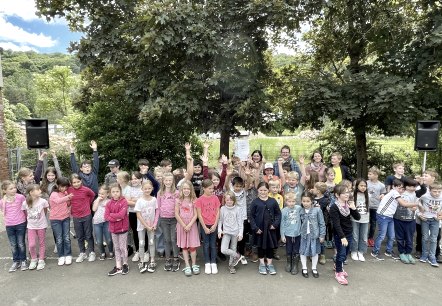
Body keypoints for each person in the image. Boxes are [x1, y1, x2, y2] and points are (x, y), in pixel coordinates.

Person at [371, 179, 417, 261]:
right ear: (393, 187)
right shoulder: (394, 192)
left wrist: (411, 206)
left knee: (392, 236)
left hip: (390, 217)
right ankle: (375, 251)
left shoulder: (397, 194)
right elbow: (404, 204)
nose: (401, 190)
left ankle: (388, 251)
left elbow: (404, 204)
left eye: (402, 188)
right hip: (383, 216)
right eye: (399, 188)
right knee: (382, 235)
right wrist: (418, 204)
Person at [329, 184, 360, 285]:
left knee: (346, 253)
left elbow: (358, 217)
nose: (347, 194)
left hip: (349, 232)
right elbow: (336, 224)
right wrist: (342, 237)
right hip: (340, 235)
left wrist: (354, 208)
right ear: (337, 195)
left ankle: (337, 265)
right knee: (341, 254)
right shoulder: (334, 207)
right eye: (344, 193)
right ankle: (338, 272)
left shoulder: (348, 204)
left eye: (348, 192)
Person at [249, 182, 281, 275]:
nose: (263, 192)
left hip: (270, 229)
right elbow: (251, 216)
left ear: (268, 190)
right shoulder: (255, 202)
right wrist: (255, 228)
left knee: (270, 247)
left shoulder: (273, 201)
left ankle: (270, 264)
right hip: (260, 229)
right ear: (258, 190)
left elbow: (278, 214)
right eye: (261, 190)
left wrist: (275, 224)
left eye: (265, 190)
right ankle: (262, 264)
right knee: (261, 247)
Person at [67, 173, 96, 263]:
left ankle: (91, 252)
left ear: (81, 181)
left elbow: (92, 195)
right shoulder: (69, 190)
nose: (76, 184)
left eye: (78, 181)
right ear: (71, 183)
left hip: (87, 215)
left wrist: (88, 203)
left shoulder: (86, 190)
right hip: (76, 216)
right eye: (74, 182)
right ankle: (82, 253)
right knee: (79, 236)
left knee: (88, 235)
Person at [394, 177, 423, 264]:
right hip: (398, 219)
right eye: (409, 186)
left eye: (414, 186)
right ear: (405, 186)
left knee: (409, 238)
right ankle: (402, 253)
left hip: (411, 220)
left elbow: (423, 190)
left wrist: (421, 182)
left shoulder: (416, 194)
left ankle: (408, 253)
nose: (412, 188)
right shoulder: (399, 193)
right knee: (400, 237)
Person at [0, 180, 28, 272]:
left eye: (14, 188)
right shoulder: (2, 201)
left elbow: (25, 209)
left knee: (21, 243)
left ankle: (23, 260)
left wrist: (28, 220)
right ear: (4, 190)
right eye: (11, 189)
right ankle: (16, 261)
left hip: (21, 223)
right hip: (9, 225)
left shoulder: (20, 197)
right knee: (13, 244)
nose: (14, 190)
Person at [175, 180, 201, 276]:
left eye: (188, 188)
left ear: (191, 189)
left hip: (192, 225)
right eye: (184, 188)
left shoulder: (194, 200)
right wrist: (184, 225)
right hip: (182, 226)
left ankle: (194, 264)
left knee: (192, 246)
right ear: (181, 190)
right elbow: (176, 214)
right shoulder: (178, 200)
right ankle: (187, 265)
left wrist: (189, 225)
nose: (186, 190)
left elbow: (196, 215)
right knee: (184, 247)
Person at [196, 179, 221, 274]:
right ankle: (207, 263)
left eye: (212, 188)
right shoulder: (200, 200)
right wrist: (205, 227)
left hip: (213, 224)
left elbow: (218, 211)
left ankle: (213, 263)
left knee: (213, 244)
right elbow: (199, 215)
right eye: (209, 188)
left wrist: (215, 224)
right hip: (204, 225)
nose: (212, 190)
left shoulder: (215, 198)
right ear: (204, 188)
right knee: (206, 244)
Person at [22, 184, 49, 270]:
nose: (40, 191)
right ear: (31, 192)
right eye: (38, 190)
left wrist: (41, 218)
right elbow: (25, 213)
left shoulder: (43, 201)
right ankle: (33, 259)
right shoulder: (25, 202)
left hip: (41, 225)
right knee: (32, 244)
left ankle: (41, 260)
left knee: (41, 243)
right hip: (31, 226)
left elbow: (45, 211)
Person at [105, 183, 130, 276]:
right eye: (113, 192)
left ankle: (125, 264)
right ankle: (118, 266)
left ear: (120, 192)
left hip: (123, 229)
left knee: (123, 247)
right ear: (110, 193)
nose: (115, 193)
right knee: (117, 247)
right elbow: (106, 216)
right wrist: (114, 217)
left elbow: (121, 215)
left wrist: (112, 215)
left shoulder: (124, 202)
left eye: (117, 191)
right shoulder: (108, 204)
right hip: (113, 229)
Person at [135, 180, 159, 273]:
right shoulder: (139, 201)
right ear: (142, 189)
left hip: (151, 225)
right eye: (145, 188)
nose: (147, 190)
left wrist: (154, 224)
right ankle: (141, 261)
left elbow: (157, 212)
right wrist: (146, 226)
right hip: (142, 225)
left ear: (152, 189)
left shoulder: (154, 199)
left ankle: (152, 260)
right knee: (141, 243)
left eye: (149, 188)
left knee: (152, 242)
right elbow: (138, 215)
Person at [299, 192, 326, 278]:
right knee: (303, 251)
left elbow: (322, 223)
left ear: (311, 201)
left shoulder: (317, 210)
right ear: (301, 201)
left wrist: (322, 235)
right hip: (304, 235)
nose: (305, 203)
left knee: (315, 252)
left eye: (308, 201)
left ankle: (314, 268)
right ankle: (304, 268)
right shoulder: (300, 210)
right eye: (304, 201)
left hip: (314, 235)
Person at [157, 172, 180, 272]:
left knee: (174, 239)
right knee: (167, 240)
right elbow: (158, 208)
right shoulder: (160, 193)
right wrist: (156, 221)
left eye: (170, 180)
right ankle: (168, 259)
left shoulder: (177, 193)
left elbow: (178, 208)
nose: (168, 182)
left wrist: (179, 220)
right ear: (163, 181)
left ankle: (176, 259)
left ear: (173, 181)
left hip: (174, 219)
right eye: (166, 180)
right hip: (164, 219)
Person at [49, 177, 73, 266]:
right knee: (59, 239)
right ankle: (61, 256)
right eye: (62, 186)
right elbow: (58, 201)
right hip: (55, 220)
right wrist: (68, 197)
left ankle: (68, 255)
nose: (64, 189)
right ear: (57, 185)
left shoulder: (66, 193)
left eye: (66, 187)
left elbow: (68, 204)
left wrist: (69, 200)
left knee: (66, 238)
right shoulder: (54, 194)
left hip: (65, 218)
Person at [218, 191, 244, 274]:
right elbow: (220, 221)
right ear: (225, 200)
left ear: (234, 200)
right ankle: (237, 256)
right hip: (226, 232)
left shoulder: (237, 209)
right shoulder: (222, 209)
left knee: (233, 248)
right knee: (223, 249)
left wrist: (240, 233)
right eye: (227, 200)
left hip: (235, 233)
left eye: (231, 200)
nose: (229, 201)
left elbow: (240, 223)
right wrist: (219, 230)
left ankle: (231, 265)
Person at [417, 182, 442, 267]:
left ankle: (432, 257)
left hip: (435, 220)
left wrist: (441, 214)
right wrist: (420, 210)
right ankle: (424, 255)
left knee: (434, 239)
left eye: (439, 191)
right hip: (425, 219)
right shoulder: (425, 196)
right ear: (430, 191)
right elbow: (417, 201)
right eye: (435, 191)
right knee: (425, 237)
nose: (437, 193)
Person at [280, 192, 302, 275]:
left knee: (296, 249)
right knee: (289, 249)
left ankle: (295, 265)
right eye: (289, 201)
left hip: (297, 233)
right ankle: (289, 263)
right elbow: (282, 224)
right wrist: (282, 235)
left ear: (295, 201)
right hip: (288, 234)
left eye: (293, 201)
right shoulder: (284, 211)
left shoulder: (299, 208)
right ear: (286, 202)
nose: (291, 203)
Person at [124, 171, 144, 263]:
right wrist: (139, 200)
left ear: (140, 179)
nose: (134, 180)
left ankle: (145, 251)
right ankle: (137, 251)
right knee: (135, 232)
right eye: (132, 179)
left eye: (136, 178)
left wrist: (134, 200)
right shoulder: (129, 189)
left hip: (143, 213)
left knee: (144, 232)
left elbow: (146, 201)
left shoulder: (144, 188)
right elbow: (128, 202)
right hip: (132, 213)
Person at [92, 185, 114, 261]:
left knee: (109, 239)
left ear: (107, 194)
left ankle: (111, 251)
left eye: (102, 194)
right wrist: (98, 200)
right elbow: (94, 209)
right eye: (99, 193)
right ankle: (102, 252)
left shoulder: (109, 201)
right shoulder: (96, 200)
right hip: (97, 223)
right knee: (99, 240)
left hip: (106, 222)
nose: (100, 195)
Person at [350, 179, 369, 262]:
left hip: (365, 219)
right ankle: (354, 251)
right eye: (361, 185)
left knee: (364, 236)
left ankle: (361, 252)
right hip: (354, 219)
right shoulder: (352, 195)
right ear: (357, 186)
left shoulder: (368, 195)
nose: (363, 187)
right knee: (355, 236)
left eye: (365, 186)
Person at [367, 166, 386, 247]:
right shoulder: (366, 183)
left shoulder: (381, 185)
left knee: (373, 223)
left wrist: (382, 195)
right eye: (368, 173)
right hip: (366, 206)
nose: (368, 175)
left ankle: (370, 238)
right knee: (364, 223)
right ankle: (363, 238)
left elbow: (383, 193)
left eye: (370, 174)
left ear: (376, 175)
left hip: (376, 207)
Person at [312, 182, 330, 264]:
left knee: (321, 239)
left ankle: (322, 255)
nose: (313, 189)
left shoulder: (325, 200)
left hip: (321, 223)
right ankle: (313, 253)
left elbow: (324, 212)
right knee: (313, 238)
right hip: (312, 222)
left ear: (318, 191)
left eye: (314, 188)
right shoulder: (312, 198)